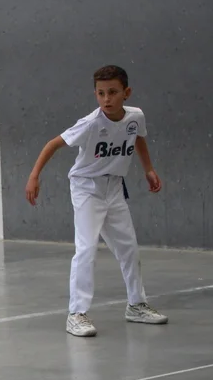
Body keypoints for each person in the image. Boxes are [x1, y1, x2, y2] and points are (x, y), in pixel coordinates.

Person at [26, 65, 168, 337]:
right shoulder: (90, 123)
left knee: (129, 248)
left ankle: (136, 305)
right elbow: (52, 144)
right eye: (101, 93)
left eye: (112, 92)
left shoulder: (135, 116)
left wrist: (148, 169)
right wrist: (34, 176)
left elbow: (138, 137)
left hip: (114, 188)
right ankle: (76, 314)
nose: (106, 99)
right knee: (87, 249)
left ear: (126, 93)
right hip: (86, 189)